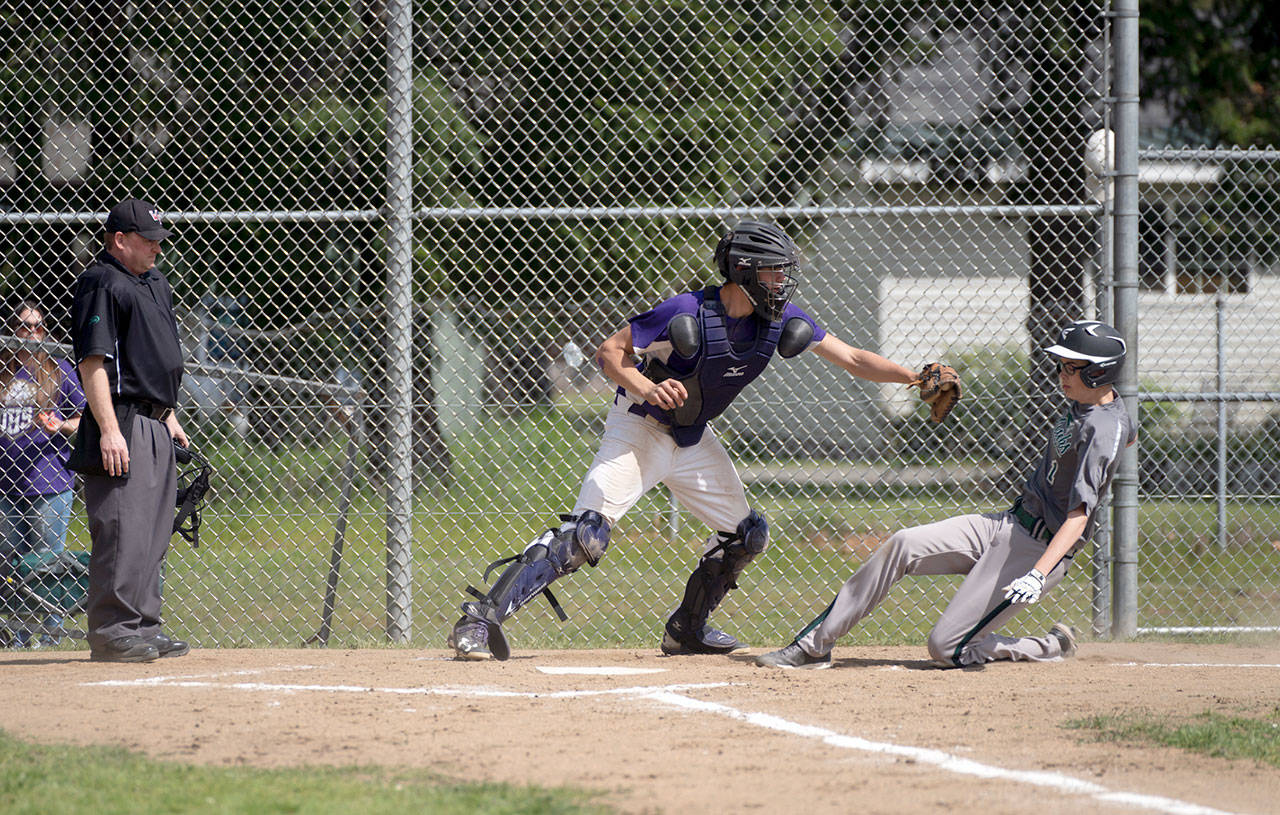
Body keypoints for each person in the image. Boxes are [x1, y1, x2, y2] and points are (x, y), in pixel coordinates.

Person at [448, 221, 959, 661]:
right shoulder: (686, 310)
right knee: (585, 536)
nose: (782, 281)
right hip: (641, 427)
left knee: (745, 534)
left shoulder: (781, 318)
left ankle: (686, 629)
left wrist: (915, 378)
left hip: (692, 439)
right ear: (743, 271)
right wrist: (647, 386)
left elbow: (853, 358)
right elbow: (610, 352)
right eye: (773, 271)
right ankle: (479, 619)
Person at [755, 320, 1136, 670]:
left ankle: (1048, 646)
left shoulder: (1103, 431)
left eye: (1071, 367)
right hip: (1007, 524)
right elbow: (1128, 432)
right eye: (1061, 365)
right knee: (903, 544)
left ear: (1098, 372)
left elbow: (1079, 516)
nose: (1061, 373)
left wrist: (1038, 574)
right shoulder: (1092, 404)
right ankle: (813, 646)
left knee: (947, 648)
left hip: (1037, 549)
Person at [69, 198, 190, 663]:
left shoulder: (153, 282)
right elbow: (92, 362)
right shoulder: (102, 282)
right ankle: (112, 630)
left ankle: (143, 625)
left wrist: (169, 413)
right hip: (122, 421)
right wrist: (107, 429)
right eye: (149, 240)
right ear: (119, 240)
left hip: (156, 420)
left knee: (152, 532)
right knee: (123, 528)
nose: (158, 248)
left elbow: (154, 357)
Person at [0, 302, 86, 647]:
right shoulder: (2, 370)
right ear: (12, 330)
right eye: (25, 326)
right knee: (9, 566)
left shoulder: (58, 370)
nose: (33, 333)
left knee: (46, 566)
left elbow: (85, 417)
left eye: (39, 326)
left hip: (48, 484)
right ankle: (18, 638)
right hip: (5, 485)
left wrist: (60, 425)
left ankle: (48, 639)